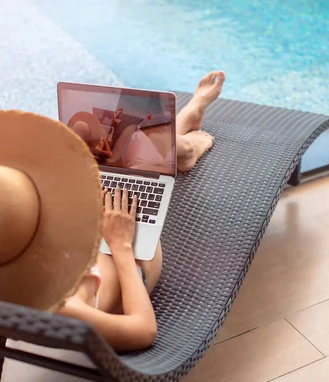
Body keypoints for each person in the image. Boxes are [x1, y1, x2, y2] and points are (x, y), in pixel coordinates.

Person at [58, 70, 226, 350]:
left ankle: (181, 132)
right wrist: (120, 243)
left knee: (106, 149)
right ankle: (186, 144)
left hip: (84, 232)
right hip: (128, 257)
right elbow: (144, 330)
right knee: (133, 147)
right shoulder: (65, 307)